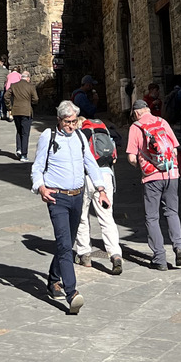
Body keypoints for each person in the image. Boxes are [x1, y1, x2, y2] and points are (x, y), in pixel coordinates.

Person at [30, 101, 109, 312]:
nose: (71, 126)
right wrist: (40, 188)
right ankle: (72, 292)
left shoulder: (80, 137)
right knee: (65, 245)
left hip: (78, 196)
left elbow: (90, 163)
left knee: (68, 241)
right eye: (68, 122)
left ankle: (54, 278)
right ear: (59, 120)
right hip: (57, 198)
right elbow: (37, 167)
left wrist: (101, 189)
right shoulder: (49, 136)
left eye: (74, 121)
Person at [126, 96, 181, 270]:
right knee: (172, 212)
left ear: (136, 113)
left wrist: (141, 165)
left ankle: (159, 258)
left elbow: (131, 157)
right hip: (171, 173)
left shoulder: (136, 127)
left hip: (152, 178)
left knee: (152, 217)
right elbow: (174, 149)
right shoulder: (162, 122)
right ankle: (179, 245)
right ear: (148, 110)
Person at [74, 112, 122, 274]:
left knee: (82, 216)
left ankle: (84, 254)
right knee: (107, 217)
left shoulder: (81, 135)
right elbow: (114, 159)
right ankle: (115, 254)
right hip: (106, 176)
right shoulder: (105, 133)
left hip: (87, 177)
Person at [5, 69, 37, 160]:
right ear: (28, 78)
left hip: (16, 111)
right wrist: (31, 103)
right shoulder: (31, 87)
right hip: (26, 112)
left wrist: (9, 107)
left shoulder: (14, 85)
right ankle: (24, 154)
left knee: (19, 130)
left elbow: (6, 96)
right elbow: (36, 99)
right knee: (25, 133)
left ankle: (19, 149)